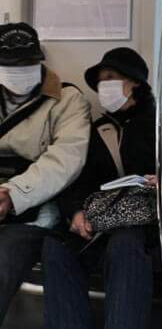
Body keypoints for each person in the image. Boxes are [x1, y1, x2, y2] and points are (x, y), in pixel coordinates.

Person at [41, 47, 162, 329]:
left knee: (124, 243)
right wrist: (75, 212)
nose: (103, 86)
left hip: (148, 218)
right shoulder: (96, 131)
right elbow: (78, 179)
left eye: (111, 77)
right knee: (56, 245)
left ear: (135, 83)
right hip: (105, 215)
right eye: (100, 80)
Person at [0, 22, 91, 323]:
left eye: (26, 63)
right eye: (9, 65)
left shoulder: (67, 101)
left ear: (39, 61)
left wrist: (12, 194)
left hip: (31, 207)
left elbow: (65, 159)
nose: (19, 70)